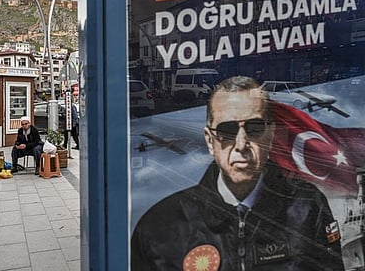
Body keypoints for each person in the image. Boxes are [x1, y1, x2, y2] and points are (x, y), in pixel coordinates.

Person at [131, 76, 344, 270]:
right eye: (228, 131)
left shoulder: (307, 207)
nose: (241, 144)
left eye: (254, 128)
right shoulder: (160, 225)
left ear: (270, 135)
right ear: (209, 140)